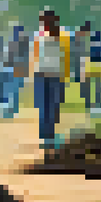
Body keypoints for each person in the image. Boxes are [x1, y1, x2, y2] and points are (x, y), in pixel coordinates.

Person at [31, 10, 70, 148]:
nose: (44, 23)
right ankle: (46, 137)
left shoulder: (63, 35)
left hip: (56, 75)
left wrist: (66, 75)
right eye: (42, 20)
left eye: (46, 20)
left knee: (53, 106)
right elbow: (35, 56)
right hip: (41, 75)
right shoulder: (39, 36)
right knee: (44, 106)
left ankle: (50, 135)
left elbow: (67, 56)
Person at [86, 29, 101, 113]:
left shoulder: (89, 45)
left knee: (92, 86)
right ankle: (99, 103)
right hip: (99, 66)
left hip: (92, 66)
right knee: (98, 86)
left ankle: (90, 103)